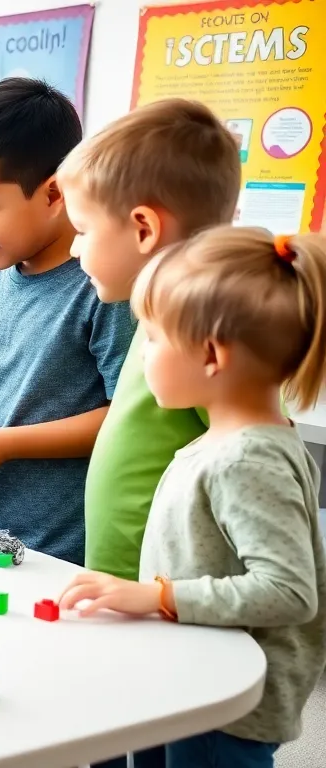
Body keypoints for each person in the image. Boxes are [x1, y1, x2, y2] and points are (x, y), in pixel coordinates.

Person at [60, 228, 326, 768]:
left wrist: (158, 597)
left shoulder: (248, 458)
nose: (144, 354)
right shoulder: (225, 441)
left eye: (153, 338)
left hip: (223, 707)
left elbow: (288, 591)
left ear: (210, 355)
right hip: (193, 678)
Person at [0, 78, 135, 565]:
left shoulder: (102, 284)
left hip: (68, 546)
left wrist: (4, 445)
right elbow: (3, 366)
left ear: (55, 192)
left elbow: (126, 416)